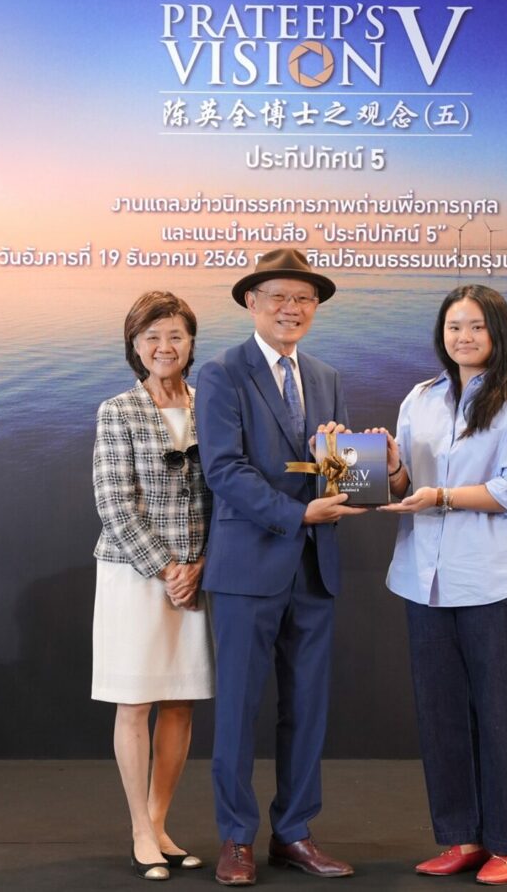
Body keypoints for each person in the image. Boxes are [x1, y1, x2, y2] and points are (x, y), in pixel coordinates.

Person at [196, 248, 366, 885]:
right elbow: (224, 471)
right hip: (248, 568)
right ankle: (236, 838)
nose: (291, 308)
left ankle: (293, 833)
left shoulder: (326, 376)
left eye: (303, 299)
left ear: (314, 307)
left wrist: (349, 465)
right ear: (252, 302)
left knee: (307, 708)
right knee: (238, 711)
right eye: (279, 297)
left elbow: (334, 469)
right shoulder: (222, 373)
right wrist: (298, 515)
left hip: (314, 569)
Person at [377, 284, 507, 886]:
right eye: (454, 326)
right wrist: (391, 466)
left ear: (498, 332)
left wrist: (443, 497)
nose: (464, 337)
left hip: (497, 579)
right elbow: (404, 486)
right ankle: (464, 836)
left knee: (501, 714)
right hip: (424, 580)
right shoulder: (420, 398)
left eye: (476, 326)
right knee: (442, 714)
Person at [92, 291, 215, 881]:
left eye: (175, 336)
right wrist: (168, 569)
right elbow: (114, 505)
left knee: (180, 701)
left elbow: (224, 493)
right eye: (152, 337)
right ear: (134, 345)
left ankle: (161, 822)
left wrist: (200, 565)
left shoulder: (211, 406)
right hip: (137, 575)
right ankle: (140, 829)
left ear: (191, 343)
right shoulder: (117, 410)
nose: (165, 347)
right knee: (136, 702)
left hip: (197, 575)